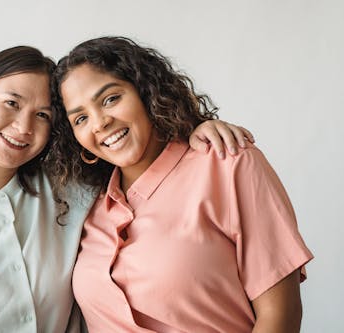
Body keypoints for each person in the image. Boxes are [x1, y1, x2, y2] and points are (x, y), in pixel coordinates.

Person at [0, 45, 251, 333]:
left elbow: (128, 149)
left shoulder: (75, 193)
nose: (23, 127)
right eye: (11, 103)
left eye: (42, 115)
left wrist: (194, 128)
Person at [49, 36, 314, 333]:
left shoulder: (228, 164)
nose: (99, 123)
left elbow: (281, 315)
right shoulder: (84, 205)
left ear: (145, 91)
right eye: (81, 118)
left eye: (111, 99)